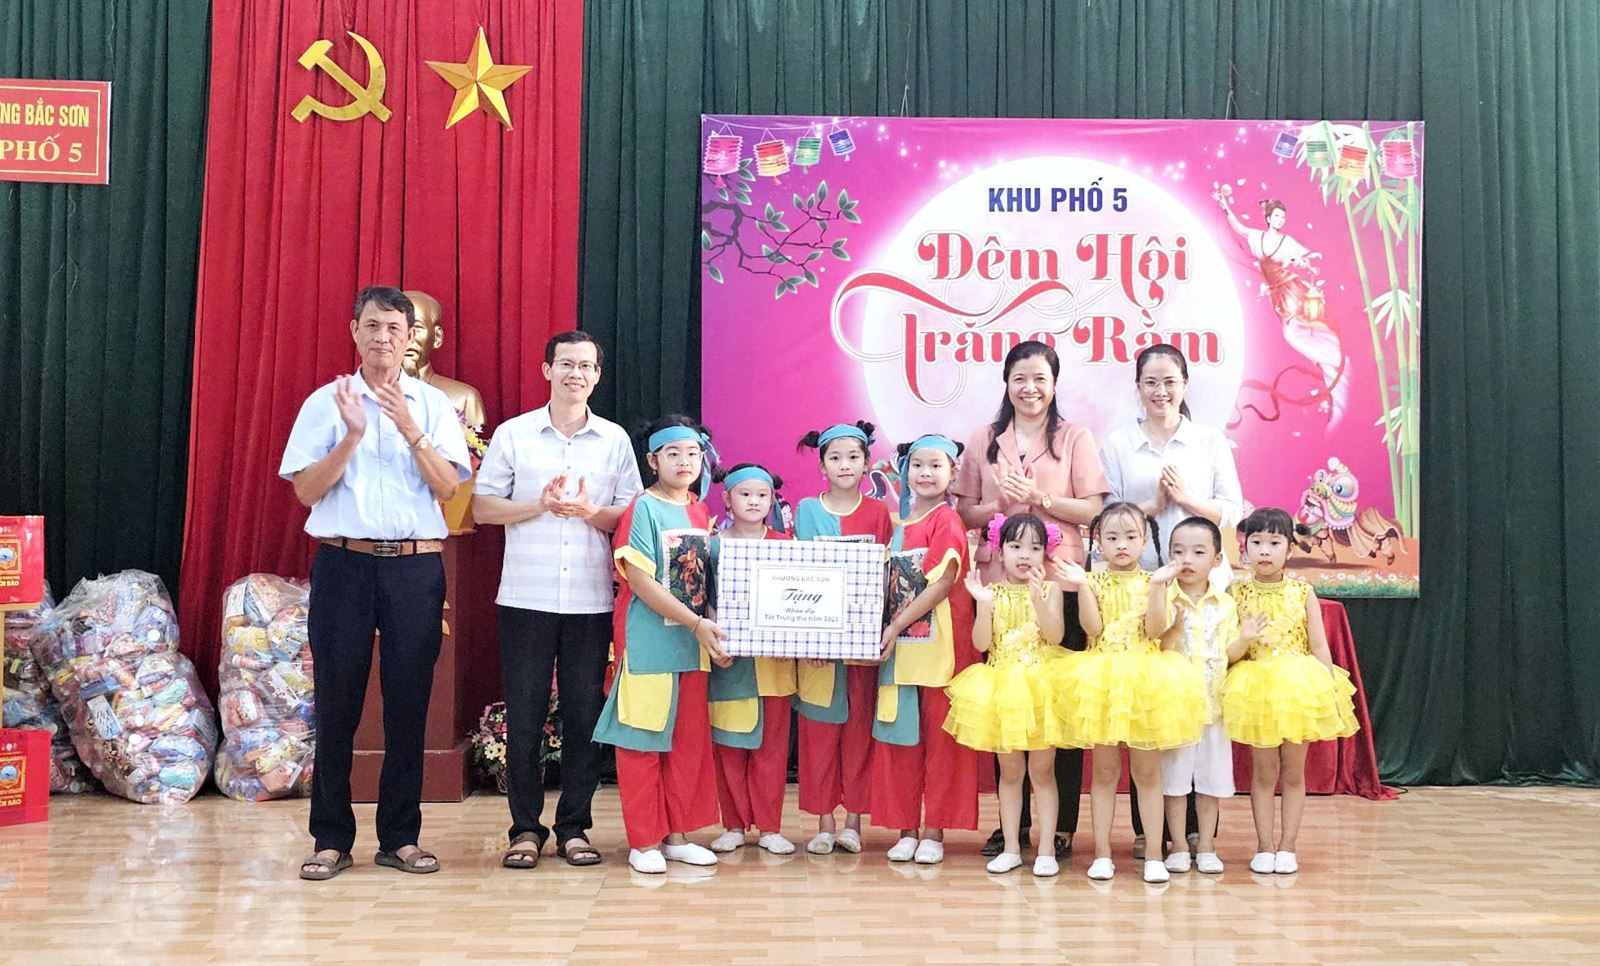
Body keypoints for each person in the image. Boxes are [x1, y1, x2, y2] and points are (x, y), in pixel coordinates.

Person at [282, 285, 471, 881]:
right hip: (345, 564)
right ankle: (330, 838)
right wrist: (352, 436)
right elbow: (306, 491)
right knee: (337, 703)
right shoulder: (326, 402)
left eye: (394, 327)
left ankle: (400, 837)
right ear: (354, 332)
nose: (383, 337)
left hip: (415, 568)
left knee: (409, 703)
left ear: (410, 337)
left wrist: (410, 427)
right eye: (372, 326)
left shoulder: (433, 405)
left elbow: (448, 487)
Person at [471, 331, 642, 870]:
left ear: (597, 376)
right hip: (526, 596)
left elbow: (631, 519)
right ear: (547, 370)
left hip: (590, 601)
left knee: (584, 717)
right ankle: (525, 829)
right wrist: (538, 505)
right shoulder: (514, 434)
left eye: (586, 366)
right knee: (524, 717)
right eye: (566, 364)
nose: (576, 374)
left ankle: (574, 828)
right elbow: (482, 508)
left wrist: (591, 513)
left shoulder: (614, 440)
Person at [953, 339, 1107, 860]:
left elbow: (1092, 511)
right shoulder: (984, 439)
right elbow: (965, 513)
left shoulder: (1075, 437)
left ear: (1055, 383)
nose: (1030, 388)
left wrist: (1040, 498)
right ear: (1006, 382)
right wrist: (1001, 502)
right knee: (1008, 706)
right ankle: (1011, 827)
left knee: (1058, 706)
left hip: (1059, 581)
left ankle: (1059, 827)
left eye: (1040, 378)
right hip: (998, 587)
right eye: (1020, 378)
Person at [1099, 342, 1244, 858]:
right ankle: (1152, 832)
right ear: (1137, 387)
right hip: (1143, 589)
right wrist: (1153, 504)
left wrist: (1186, 501)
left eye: (1170, 382)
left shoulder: (1208, 440)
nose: (1160, 391)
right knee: (1150, 708)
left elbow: (1233, 509)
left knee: (1199, 704)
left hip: (1205, 587)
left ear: (1184, 386)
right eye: (1150, 382)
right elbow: (1109, 518)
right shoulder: (1118, 443)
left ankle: (1199, 836)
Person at [591, 416, 728, 874]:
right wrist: (696, 623)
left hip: (691, 645)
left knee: (687, 743)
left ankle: (678, 837)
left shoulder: (700, 511)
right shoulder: (642, 509)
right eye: (672, 454)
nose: (684, 461)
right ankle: (644, 841)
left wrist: (711, 626)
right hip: (649, 642)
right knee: (643, 740)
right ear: (652, 460)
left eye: (692, 453)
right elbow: (640, 579)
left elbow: (704, 581)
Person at [1055, 502, 1208, 883]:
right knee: (1104, 773)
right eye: (1111, 537)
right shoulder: (1093, 580)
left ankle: (1154, 853)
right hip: (1102, 681)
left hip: (1146, 681)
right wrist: (1083, 585)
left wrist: (1157, 586)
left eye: (1130, 536)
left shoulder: (1158, 580)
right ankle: (1102, 854)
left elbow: (1156, 630)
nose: (1121, 545)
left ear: (1144, 539)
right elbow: (1092, 628)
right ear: (1098, 542)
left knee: (1147, 772)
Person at [1223, 507, 1359, 875]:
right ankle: (1264, 845)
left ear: (1289, 548)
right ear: (1245, 548)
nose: (1264, 551)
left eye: (1274, 542)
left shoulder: (1302, 592)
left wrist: (1328, 690)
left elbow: (1319, 646)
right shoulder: (1236, 592)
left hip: (1298, 688)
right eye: (1256, 542)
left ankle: (1288, 845)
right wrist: (1243, 639)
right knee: (1263, 772)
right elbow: (1229, 652)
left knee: (1294, 772)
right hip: (1255, 689)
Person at [944, 513, 1072, 877]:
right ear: (1000, 552)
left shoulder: (1050, 590)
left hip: (1040, 689)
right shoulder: (992, 592)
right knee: (1011, 772)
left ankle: (1046, 850)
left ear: (1045, 553)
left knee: (1043, 772)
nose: (1025, 555)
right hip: (1001, 688)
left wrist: (1038, 598)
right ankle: (1013, 847)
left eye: (1035, 547)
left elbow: (1055, 637)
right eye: (1016, 546)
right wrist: (983, 604)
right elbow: (981, 644)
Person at [872, 435, 978, 865]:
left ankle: (934, 830)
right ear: (905, 471)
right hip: (899, 651)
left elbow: (942, 583)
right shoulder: (897, 527)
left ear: (953, 472)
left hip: (940, 651)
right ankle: (906, 829)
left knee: (940, 742)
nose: (926, 473)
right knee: (902, 739)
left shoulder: (947, 520)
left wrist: (896, 624)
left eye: (936, 465)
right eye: (918, 465)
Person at [790, 422, 891, 855]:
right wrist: (808, 639)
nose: (844, 465)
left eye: (853, 457)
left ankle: (853, 822)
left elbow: (887, 576)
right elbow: (796, 575)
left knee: (858, 734)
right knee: (818, 736)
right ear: (822, 467)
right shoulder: (806, 510)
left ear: (867, 464)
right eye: (835, 458)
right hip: (818, 648)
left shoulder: (880, 513)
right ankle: (823, 822)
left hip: (863, 646)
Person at [1147, 517, 1262, 875]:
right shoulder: (1164, 597)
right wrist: (1174, 626)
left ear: (1217, 559)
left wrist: (1244, 639)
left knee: (1211, 782)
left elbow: (1229, 654)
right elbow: (1156, 646)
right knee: (1175, 782)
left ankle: (1208, 845)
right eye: (1178, 551)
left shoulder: (1226, 604)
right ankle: (1179, 846)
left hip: (1215, 707)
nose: (1187, 559)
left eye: (1198, 552)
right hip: (1176, 709)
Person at [706, 463, 798, 856]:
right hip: (729, 662)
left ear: (772, 500)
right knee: (729, 748)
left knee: (772, 751)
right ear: (727, 499)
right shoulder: (711, 546)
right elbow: (702, 597)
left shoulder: (787, 545)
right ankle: (733, 824)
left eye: (762, 495)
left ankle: (770, 827)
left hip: (774, 666)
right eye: (745, 494)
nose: (754, 501)